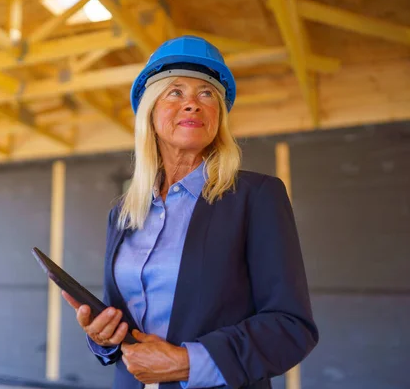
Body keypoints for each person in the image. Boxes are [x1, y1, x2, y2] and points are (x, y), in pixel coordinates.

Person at [62, 35, 318, 389]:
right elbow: (121, 319)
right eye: (175, 92)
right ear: (150, 114)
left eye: (207, 94)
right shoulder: (124, 213)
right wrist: (102, 336)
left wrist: (187, 363)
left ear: (218, 118)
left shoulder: (256, 196)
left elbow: (291, 326)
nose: (192, 104)